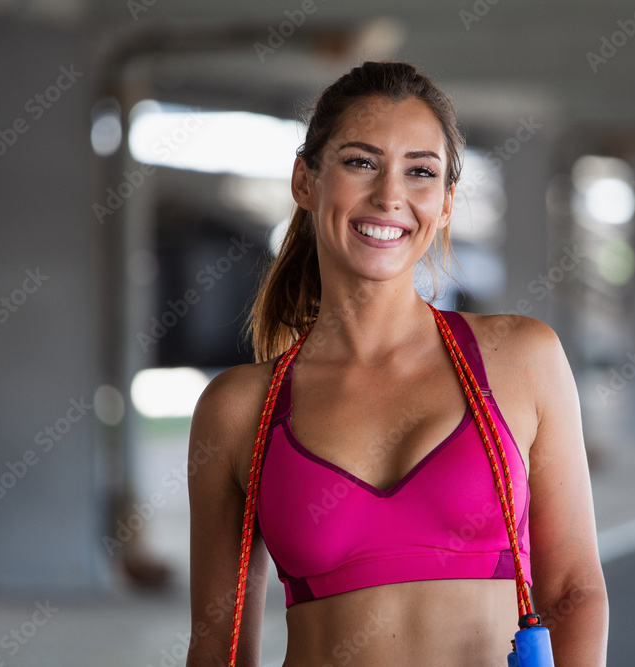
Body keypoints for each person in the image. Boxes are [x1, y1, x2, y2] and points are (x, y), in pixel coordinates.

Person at [187, 61, 608, 666]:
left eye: (420, 172)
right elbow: (217, 648)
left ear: (444, 204)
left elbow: (574, 593)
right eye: (361, 162)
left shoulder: (521, 359)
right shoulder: (240, 410)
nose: (390, 196)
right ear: (305, 181)